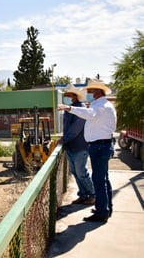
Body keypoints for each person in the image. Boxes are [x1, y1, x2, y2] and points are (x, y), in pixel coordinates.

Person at [58, 79, 116, 222]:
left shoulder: (100, 105)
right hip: (101, 145)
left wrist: (69, 108)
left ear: (97, 92)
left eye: (90, 91)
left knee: (98, 179)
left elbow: (89, 114)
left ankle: (102, 212)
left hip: (99, 146)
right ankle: (105, 207)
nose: (88, 94)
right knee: (103, 178)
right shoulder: (102, 104)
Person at [59, 84, 95, 205]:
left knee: (81, 172)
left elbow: (75, 129)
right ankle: (83, 194)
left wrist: (64, 139)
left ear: (74, 96)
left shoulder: (81, 109)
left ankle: (92, 194)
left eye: (68, 95)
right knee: (75, 172)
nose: (66, 97)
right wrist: (64, 139)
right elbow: (67, 128)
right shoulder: (70, 109)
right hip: (71, 146)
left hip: (80, 145)